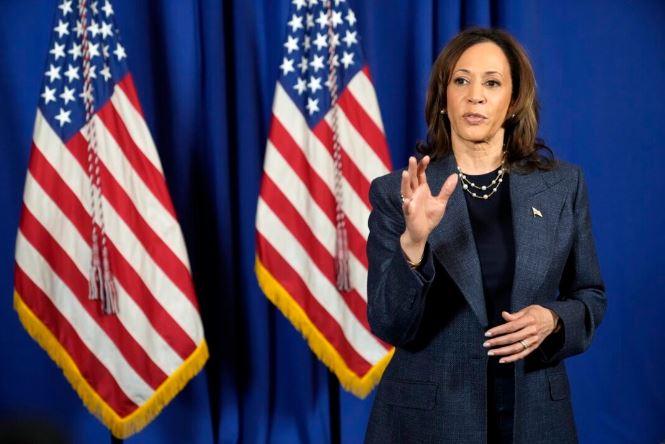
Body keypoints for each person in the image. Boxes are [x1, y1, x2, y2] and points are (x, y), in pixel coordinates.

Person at [364, 27, 606, 444]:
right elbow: (391, 325)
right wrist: (415, 243)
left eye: (492, 82)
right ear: (444, 98)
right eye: (461, 80)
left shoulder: (564, 186)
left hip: (535, 417)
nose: (475, 95)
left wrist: (552, 319)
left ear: (513, 103)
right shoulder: (397, 192)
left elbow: (590, 296)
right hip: (429, 422)